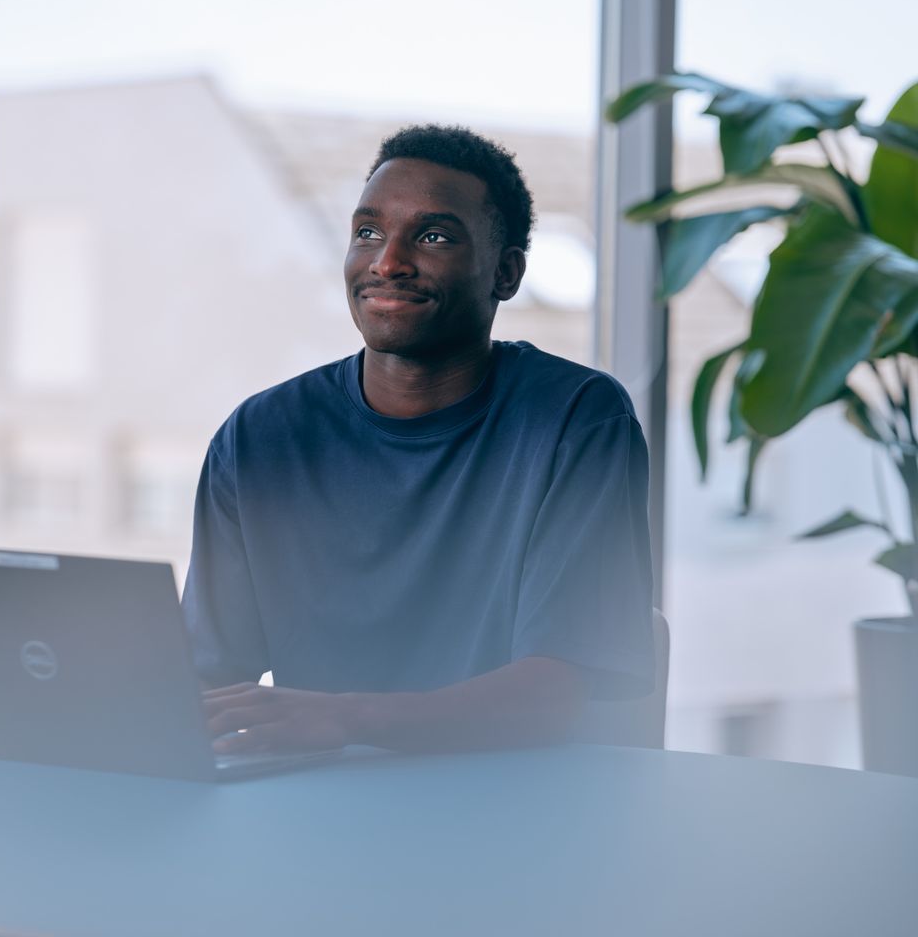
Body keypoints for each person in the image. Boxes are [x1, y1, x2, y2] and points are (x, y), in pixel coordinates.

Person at [182, 124, 653, 756]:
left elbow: (554, 692)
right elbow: (206, 677)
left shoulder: (576, 420)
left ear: (506, 274)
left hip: (513, 809)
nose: (387, 262)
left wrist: (346, 722)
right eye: (368, 232)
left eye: (432, 237)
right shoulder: (259, 437)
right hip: (317, 809)